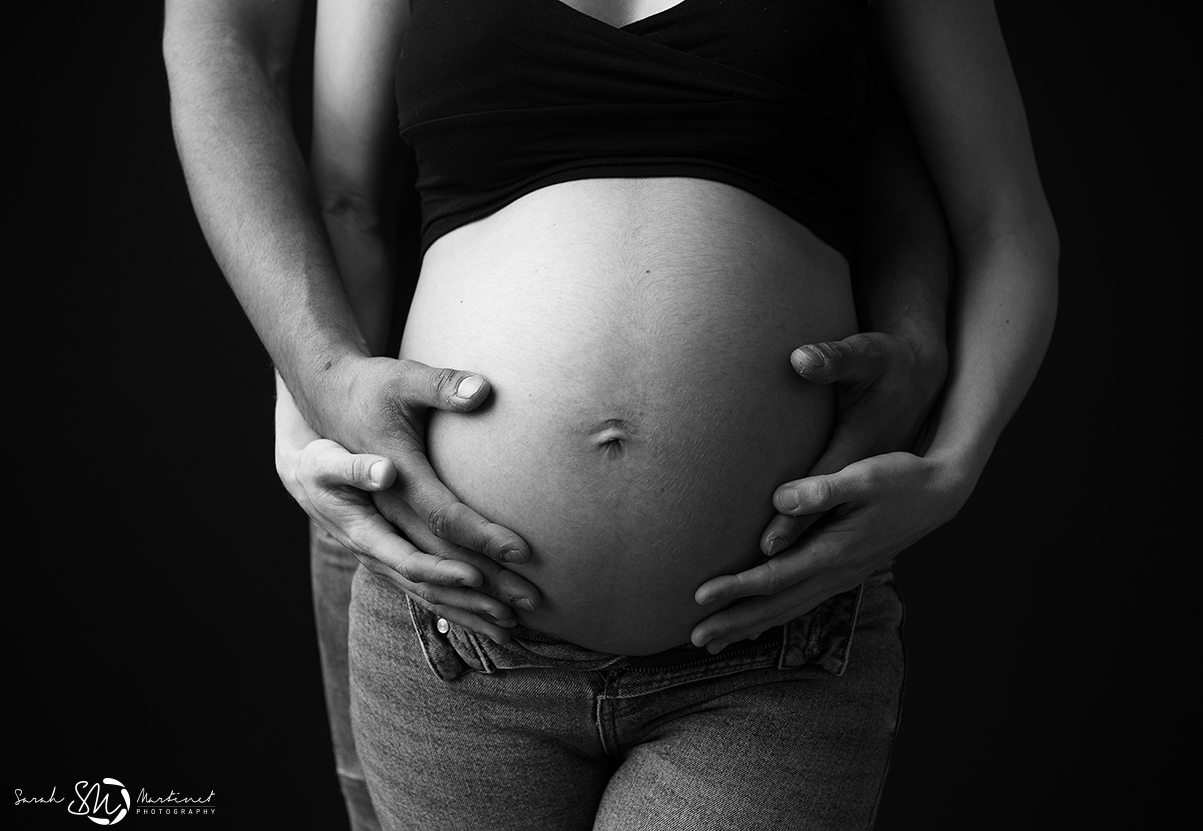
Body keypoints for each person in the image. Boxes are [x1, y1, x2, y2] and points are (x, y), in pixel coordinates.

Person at [165, 0, 1057, 828]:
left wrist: (953, 464)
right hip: (460, 633)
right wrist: (306, 412)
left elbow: (998, 218)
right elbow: (342, 199)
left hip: (773, 641)